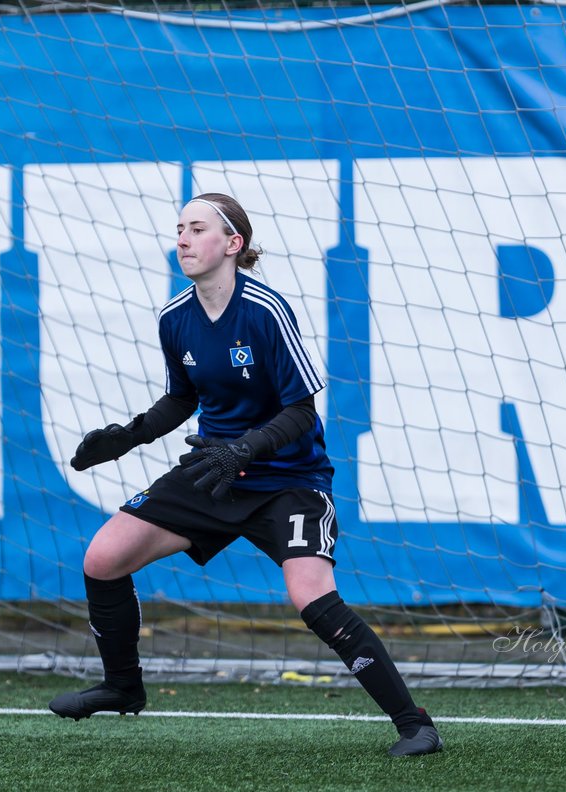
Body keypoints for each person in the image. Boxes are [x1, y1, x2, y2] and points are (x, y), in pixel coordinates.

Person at [48, 192, 443, 757]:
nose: (182, 238)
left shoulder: (266, 310)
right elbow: (181, 398)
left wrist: (247, 450)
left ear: (233, 244)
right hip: (213, 471)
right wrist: (129, 436)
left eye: (197, 228)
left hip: (289, 478)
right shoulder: (175, 318)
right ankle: (122, 687)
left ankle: (415, 724)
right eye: (179, 228)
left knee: (311, 597)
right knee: (103, 559)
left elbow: (303, 409)